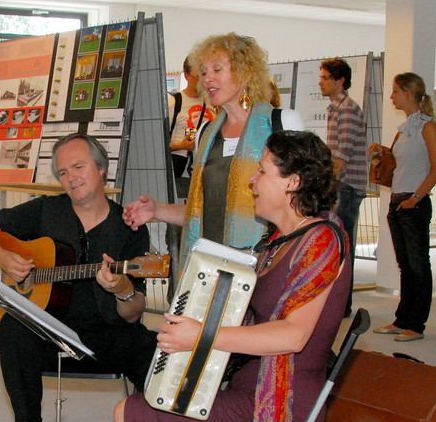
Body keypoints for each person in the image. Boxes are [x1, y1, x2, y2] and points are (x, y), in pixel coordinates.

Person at [90, 131, 350, 422]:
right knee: (161, 393)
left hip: (284, 405)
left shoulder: (320, 243)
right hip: (260, 386)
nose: (252, 180)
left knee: (133, 414)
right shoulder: (285, 241)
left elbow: (293, 334)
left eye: (264, 170)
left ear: (292, 183)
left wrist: (201, 337)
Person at [0, 134, 162, 422]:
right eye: (62, 172)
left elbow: (134, 313)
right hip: (47, 335)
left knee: (153, 348)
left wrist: (122, 289)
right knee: (12, 331)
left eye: (78, 167)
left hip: (102, 338)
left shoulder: (129, 228)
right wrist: (0, 256)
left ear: (101, 169)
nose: (71, 178)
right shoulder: (46, 210)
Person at [126, 33, 305, 273]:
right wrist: (156, 210)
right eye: (203, 72)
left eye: (217, 69)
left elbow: (303, 206)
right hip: (208, 270)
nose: (207, 78)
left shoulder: (282, 123)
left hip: (265, 268)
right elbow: (201, 214)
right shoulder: (206, 134)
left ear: (245, 72)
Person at [372, 72, 436, 342]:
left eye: (395, 91)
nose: (391, 96)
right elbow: (400, 162)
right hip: (397, 201)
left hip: (413, 203)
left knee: (418, 265)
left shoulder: (427, 126)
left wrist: (416, 197)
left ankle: (417, 324)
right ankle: (402, 319)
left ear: (408, 93)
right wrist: (382, 152)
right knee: (405, 265)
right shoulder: (405, 128)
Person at [320, 57, 368, 313]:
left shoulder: (347, 109)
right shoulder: (336, 109)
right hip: (342, 186)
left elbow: (342, 157)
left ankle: (342, 305)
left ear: (340, 81)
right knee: (339, 245)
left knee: (343, 246)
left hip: (346, 187)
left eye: (326, 77)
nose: (321, 82)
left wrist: (327, 188)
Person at [167, 57, 210, 198]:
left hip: (206, 170)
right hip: (180, 171)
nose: (202, 81)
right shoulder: (174, 103)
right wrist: (180, 145)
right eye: (197, 76)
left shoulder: (214, 103)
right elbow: (156, 144)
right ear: (186, 76)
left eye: (205, 75)